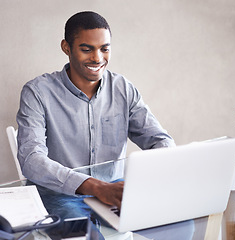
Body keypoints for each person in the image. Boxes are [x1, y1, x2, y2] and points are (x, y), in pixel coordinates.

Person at [16, 11, 175, 211]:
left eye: (104, 49)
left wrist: (144, 180)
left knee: (182, 225)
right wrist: (96, 187)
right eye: (86, 49)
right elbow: (31, 159)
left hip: (114, 192)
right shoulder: (38, 92)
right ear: (66, 47)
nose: (97, 58)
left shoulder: (122, 88)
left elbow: (160, 140)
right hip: (61, 197)